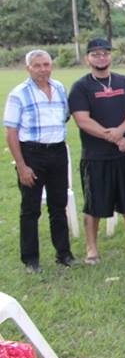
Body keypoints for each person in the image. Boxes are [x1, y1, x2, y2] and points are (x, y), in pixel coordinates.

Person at [69, 38, 125, 263]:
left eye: (105, 53)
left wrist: (120, 131)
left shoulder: (123, 81)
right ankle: (91, 249)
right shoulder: (81, 86)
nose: (101, 58)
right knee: (94, 201)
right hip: (96, 155)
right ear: (88, 58)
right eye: (95, 54)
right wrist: (114, 138)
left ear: (110, 56)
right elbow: (82, 120)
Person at [4, 50, 75, 273]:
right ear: (28, 68)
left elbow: (65, 116)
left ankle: (63, 254)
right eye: (37, 65)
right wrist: (22, 166)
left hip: (57, 151)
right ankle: (31, 260)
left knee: (58, 204)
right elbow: (11, 133)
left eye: (46, 64)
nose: (43, 69)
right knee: (31, 208)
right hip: (32, 154)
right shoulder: (19, 94)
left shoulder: (59, 88)